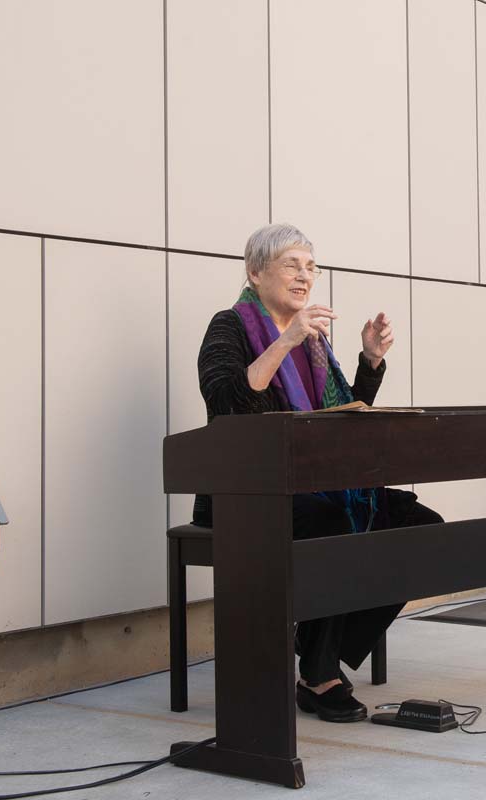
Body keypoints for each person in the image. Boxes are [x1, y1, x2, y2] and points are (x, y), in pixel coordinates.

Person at [192, 222, 442, 723]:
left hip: (317, 486)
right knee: (329, 524)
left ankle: (317, 646)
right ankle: (320, 673)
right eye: (292, 264)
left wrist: (370, 362)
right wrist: (285, 341)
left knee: (422, 530)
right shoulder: (231, 326)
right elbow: (226, 403)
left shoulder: (314, 343)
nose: (305, 275)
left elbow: (343, 420)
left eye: (311, 266)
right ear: (255, 271)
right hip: (246, 491)